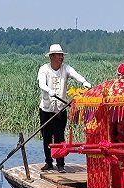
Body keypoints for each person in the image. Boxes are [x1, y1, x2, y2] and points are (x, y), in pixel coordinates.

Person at [36, 44, 91, 172]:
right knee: (47, 137)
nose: (61, 57)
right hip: (46, 109)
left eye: (62, 55)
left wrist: (84, 82)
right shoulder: (44, 69)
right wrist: (48, 90)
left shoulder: (65, 68)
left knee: (60, 137)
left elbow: (75, 74)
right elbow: (41, 83)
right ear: (52, 56)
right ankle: (49, 162)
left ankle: (61, 164)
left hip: (60, 109)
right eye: (59, 55)